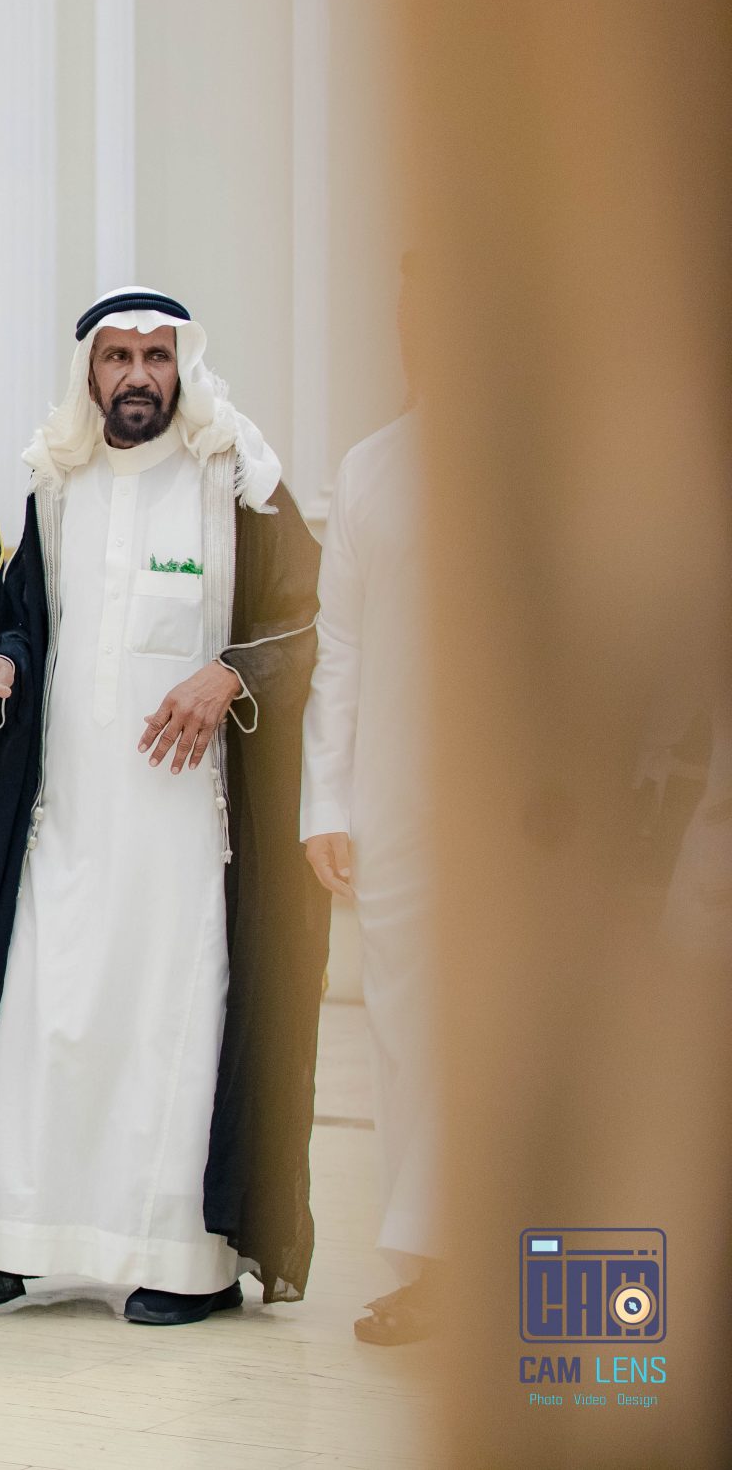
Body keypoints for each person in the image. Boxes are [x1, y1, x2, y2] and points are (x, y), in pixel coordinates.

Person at [0, 286, 325, 1325]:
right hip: (67, 813)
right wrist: (1, 663)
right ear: (89, 373)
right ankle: (28, 1237)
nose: (137, 376)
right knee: (45, 1014)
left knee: (169, 1027)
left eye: (155, 356)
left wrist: (228, 673)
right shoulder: (57, 485)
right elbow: (27, 618)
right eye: (117, 357)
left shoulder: (237, 478)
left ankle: (184, 1262)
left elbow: (307, 622)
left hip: (188, 830)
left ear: (181, 366)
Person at [302, 277, 437, 1345]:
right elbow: (338, 648)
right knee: (409, 1036)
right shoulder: (371, 467)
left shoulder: (559, 460)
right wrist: (326, 802)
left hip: (543, 825)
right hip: (400, 811)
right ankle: (432, 1269)